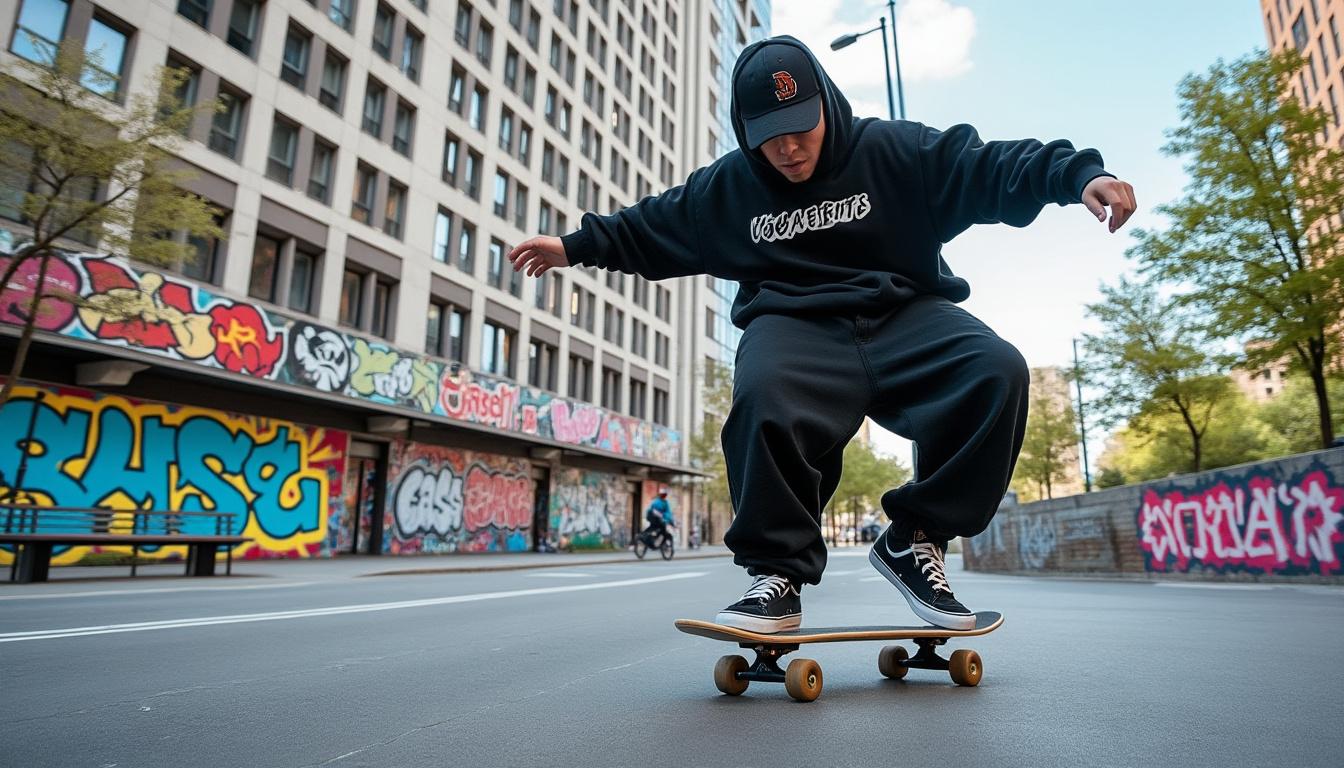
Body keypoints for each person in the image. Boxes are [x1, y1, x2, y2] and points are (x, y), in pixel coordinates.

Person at [510, 36, 1135, 633]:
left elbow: (991, 164)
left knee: (995, 369)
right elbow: (652, 224)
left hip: (906, 313)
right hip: (794, 324)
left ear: (827, 105)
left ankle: (916, 536)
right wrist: (574, 246)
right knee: (764, 394)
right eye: (768, 138)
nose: (787, 149)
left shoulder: (896, 153)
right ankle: (776, 575)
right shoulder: (729, 189)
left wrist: (1076, 176)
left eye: (800, 128)